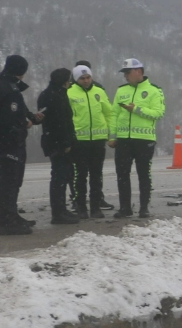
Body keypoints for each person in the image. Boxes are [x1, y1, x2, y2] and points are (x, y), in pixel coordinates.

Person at [0, 55, 41, 235]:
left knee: (10, 180)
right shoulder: (9, 89)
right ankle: (5, 220)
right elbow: (10, 115)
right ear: (20, 71)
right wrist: (25, 123)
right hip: (9, 140)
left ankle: (9, 215)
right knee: (10, 180)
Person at [109, 58, 165, 218]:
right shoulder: (121, 90)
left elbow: (158, 113)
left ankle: (144, 208)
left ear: (139, 71)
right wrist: (112, 136)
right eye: (124, 73)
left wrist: (137, 109)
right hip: (123, 140)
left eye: (128, 73)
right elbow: (114, 113)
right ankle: (125, 208)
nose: (125, 76)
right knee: (122, 174)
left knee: (143, 174)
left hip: (144, 139)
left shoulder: (154, 90)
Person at [36, 68, 81, 225]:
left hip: (51, 140)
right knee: (59, 177)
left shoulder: (47, 94)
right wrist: (66, 143)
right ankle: (58, 212)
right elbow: (61, 123)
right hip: (58, 143)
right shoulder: (57, 96)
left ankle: (60, 209)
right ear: (64, 81)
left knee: (62, 176)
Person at [67, 65, 113, 217]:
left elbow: (109, 114)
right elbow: (67, 118)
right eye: (82, 78)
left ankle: (95, 207)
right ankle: (80, 207)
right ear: (76, 79)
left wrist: (111, 135)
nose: (86, 81)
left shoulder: (99, 92)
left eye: (88, 78)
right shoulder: (69, 93)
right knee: (80, 176)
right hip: (79, 141)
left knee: (96, 175)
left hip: (98, 141)